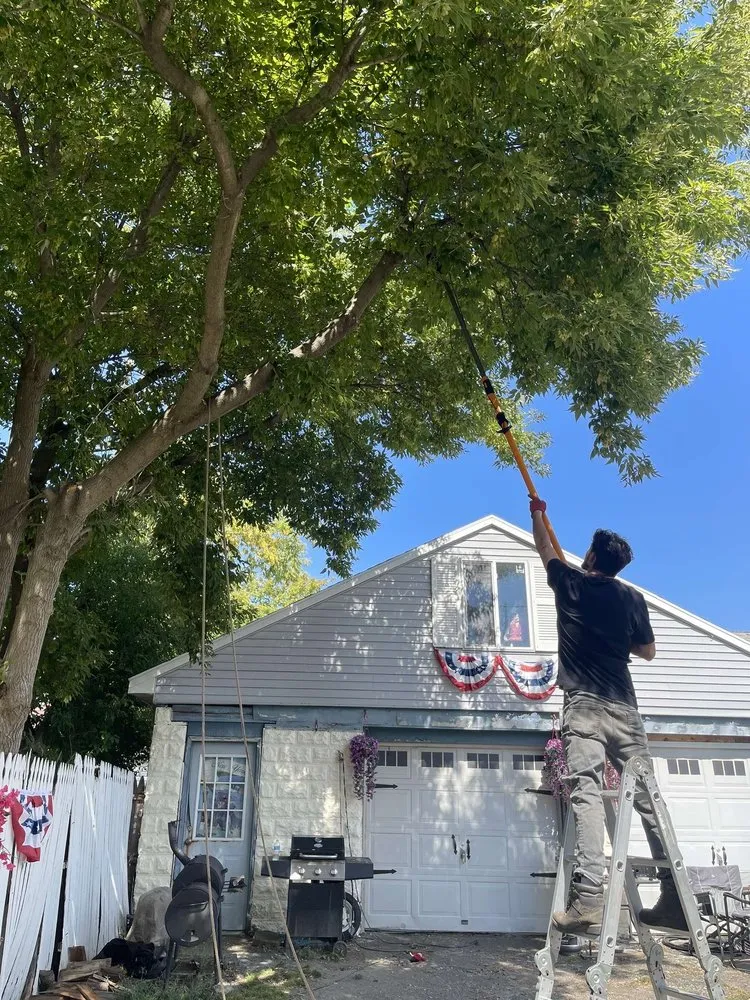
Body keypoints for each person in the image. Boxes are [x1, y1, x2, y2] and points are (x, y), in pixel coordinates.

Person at [530, 498, 688, 935]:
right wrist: (618, 639)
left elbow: (544, 548)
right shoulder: (631, 597)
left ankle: (588, 900)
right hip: (625, 709)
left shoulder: (571, 583)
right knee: (647, 798)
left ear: (594, 556)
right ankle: (675, 894)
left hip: (584, 706)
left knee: (586, 792)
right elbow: (648, 652)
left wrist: (537, 513)